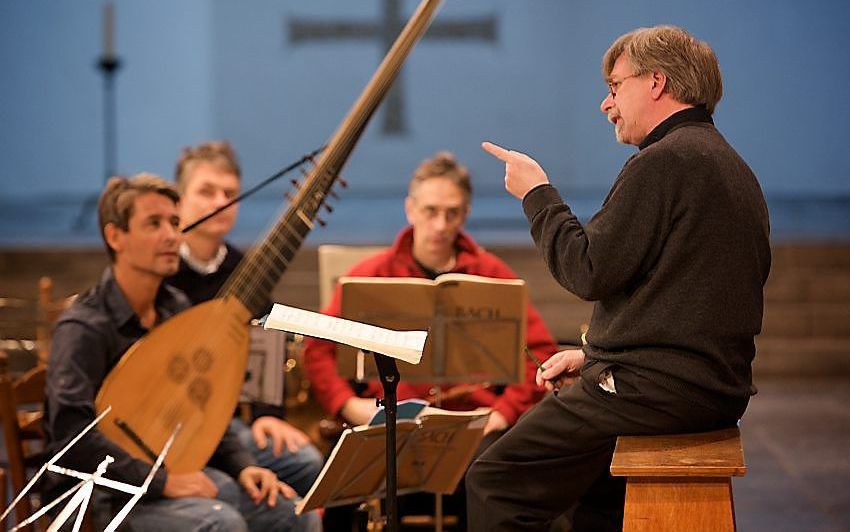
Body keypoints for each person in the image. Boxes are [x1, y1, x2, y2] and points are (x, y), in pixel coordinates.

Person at [468, 25, 771, 531]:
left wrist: (537, 193)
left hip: (654, 393)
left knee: (495, 481)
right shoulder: (730, 165)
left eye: (614, 87)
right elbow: (687, 301)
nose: (606, 105)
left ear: (655, 82)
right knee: (589, 500)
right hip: (706, 388)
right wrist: (595, 356)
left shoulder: (664, 162)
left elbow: (586, 271)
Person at [43, 174, 319, 531]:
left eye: (175, 222)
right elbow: (72, 440)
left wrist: (243, 465)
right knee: (222, 523)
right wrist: (163, 483)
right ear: (115, 237)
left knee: (291, 513)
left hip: (165, 472)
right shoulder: (84, 328)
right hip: (99, 496)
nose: (172, 235)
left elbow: (198, 408)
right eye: (154, 224)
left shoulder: (175, 308)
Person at [302, 151, 558, 528]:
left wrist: (503, 414)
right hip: (392, 424)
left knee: (499, 478)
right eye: (430, 211)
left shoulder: (492, 275)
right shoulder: (371, 274)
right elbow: (317, 347)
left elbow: (538, 354)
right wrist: (346, 404)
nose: (440, 224)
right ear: (411, 209)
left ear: (466, 213)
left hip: (470, 429)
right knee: (343, 489)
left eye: (452, 213)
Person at [165, 140, 324, 498]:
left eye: (230, 193)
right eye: (206, 191)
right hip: (171, 424)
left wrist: (268, 414)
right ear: (179, 198)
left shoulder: (243, 269)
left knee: (306, 464)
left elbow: (265, 331)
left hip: (226, 423)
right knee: (230, 495)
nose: (220, 202)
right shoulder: (162, 265)